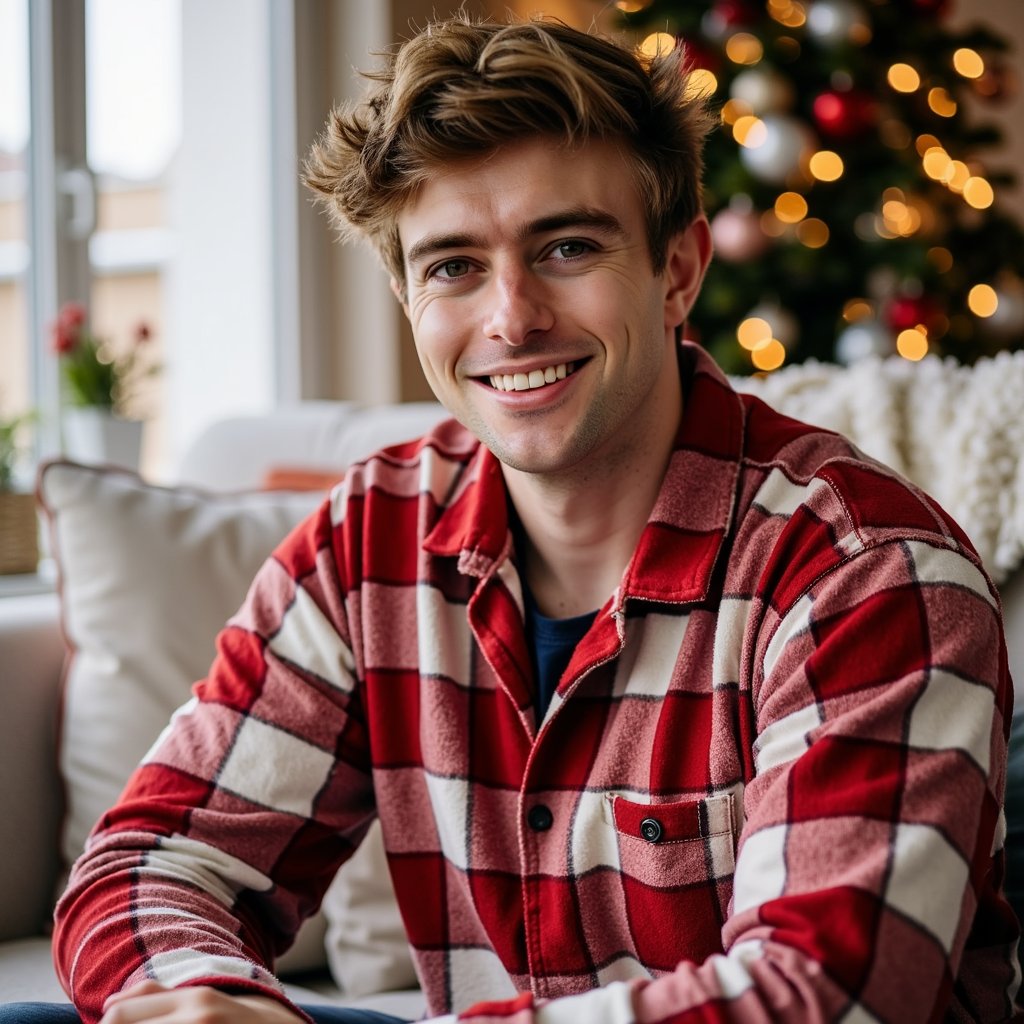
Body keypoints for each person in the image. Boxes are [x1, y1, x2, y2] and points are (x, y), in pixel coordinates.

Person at [9, 11, 1019, 1024]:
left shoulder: (870, 572)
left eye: (567, 247)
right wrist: (203, 999)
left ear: (678, 269)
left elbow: (822, 1000)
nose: (511, 317)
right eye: (452, 266)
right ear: (407, 296)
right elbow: (146, 863)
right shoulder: (372, 538)